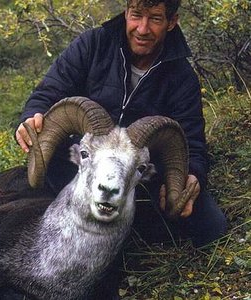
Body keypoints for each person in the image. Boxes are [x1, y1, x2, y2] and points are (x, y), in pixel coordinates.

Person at [16, 0, 227, 298]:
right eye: (136, 15)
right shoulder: (93, 44)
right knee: (36, 190)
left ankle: (125, 236)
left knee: (211, 225)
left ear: (171, 21)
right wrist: (31, 118)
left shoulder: (181, 77)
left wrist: (191, 174)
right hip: (83, 164)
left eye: (154, 18)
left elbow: (192, 143)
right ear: (126, 12)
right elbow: (48, 92)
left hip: (138, 176)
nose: (142, 28)